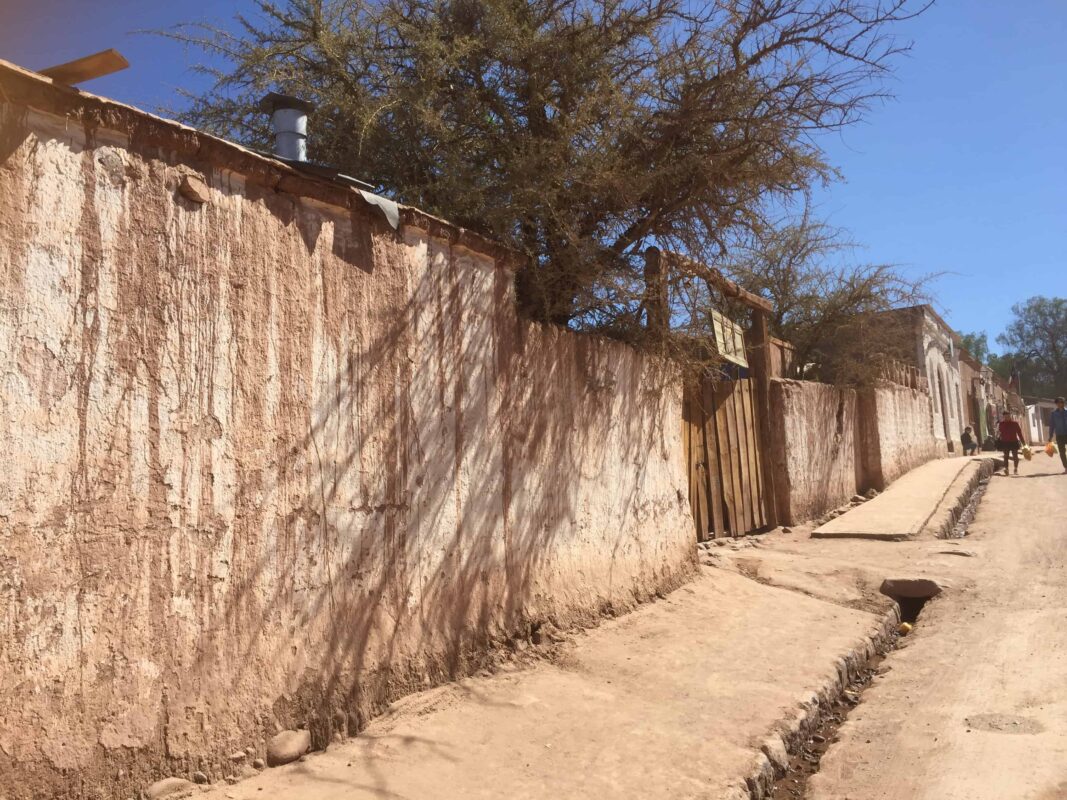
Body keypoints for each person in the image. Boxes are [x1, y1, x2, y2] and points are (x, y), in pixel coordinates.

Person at [997, 409, 1025, 476]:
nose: (1007, 418)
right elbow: (999, 433)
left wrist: (1023, 443)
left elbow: (1019, 433)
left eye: (1008, 416)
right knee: (1006, 456)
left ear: (1010, 416)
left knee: (1015, 456)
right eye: (1005, 416)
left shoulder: (1015, 424)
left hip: (1014, 442)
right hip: (1005, 442)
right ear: (1003, 417)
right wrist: (998, 437)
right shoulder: (1001, 424)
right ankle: (1006, 469)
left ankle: (1015, 469)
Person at [1049, 396, 1067, 474]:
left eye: (1062, 402)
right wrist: (1050, 436)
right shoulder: (1053, 414)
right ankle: (1066, 467)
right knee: (1062, 452)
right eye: (1059, 402)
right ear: (1056, 404)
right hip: (1059, 435)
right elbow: (1052, 425)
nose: (1061, 404)